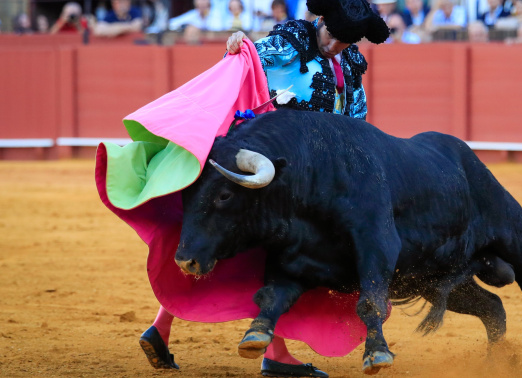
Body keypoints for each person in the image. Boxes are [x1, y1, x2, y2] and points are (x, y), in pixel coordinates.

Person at [138, 1, 390, 377]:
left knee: (258, 250)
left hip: (314, 178)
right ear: (320, 21)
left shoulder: (351, 62)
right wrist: (240, 43)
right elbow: (249, 58)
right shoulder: (291, 41)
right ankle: (273, 355)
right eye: (333, 36)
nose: (336, 45)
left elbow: (355, 122)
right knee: (264, 250)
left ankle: (163, 327)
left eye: (345, 41)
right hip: (272, 164)